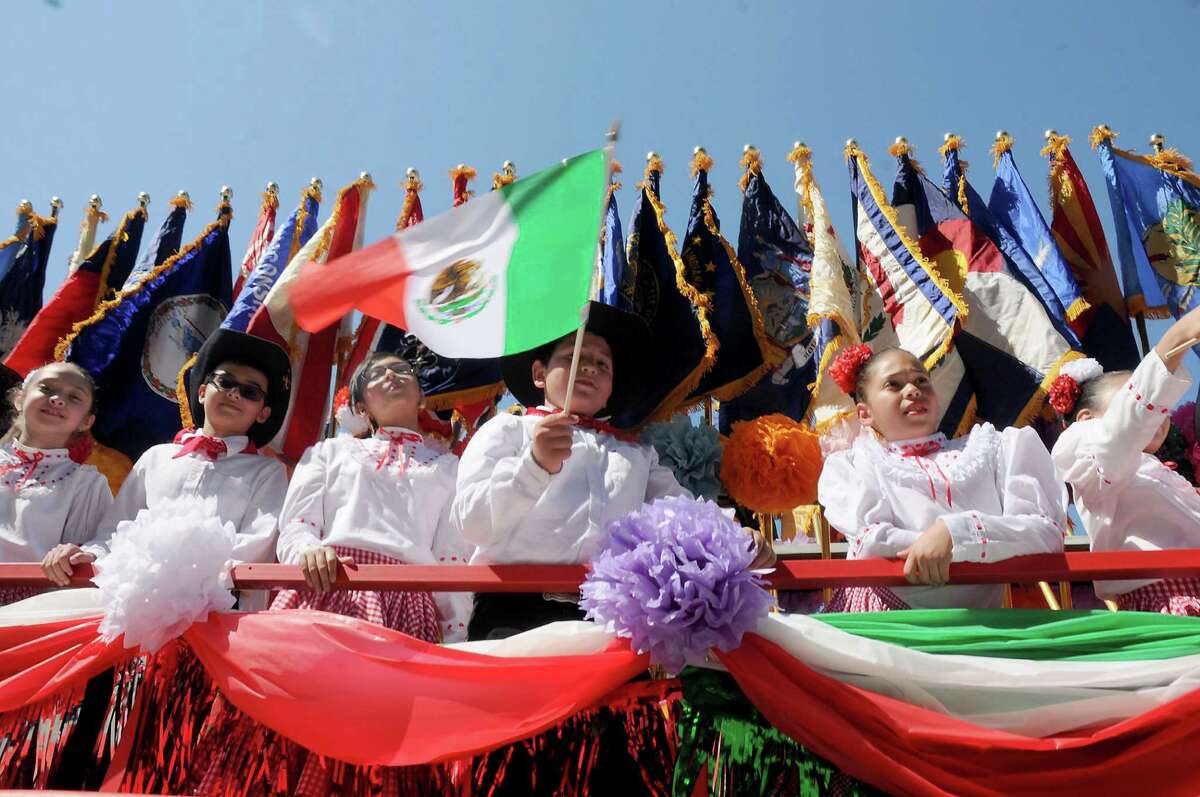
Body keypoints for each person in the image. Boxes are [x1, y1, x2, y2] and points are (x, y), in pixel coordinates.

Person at [452, 301, 698, 640]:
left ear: (611, 389)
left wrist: (734, 538)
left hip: (610, 620)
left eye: (602, 364)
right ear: (539, 373)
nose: (590, 369)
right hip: (513, 613)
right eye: (574, 357)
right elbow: (472, 522)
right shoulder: (507, 430)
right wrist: (533, 467)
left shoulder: (637, 455)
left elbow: (683, 516)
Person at [817, 344, 1066, 611]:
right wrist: (960, 543)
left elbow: (1044, 532)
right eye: (893, 385)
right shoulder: (854, 465)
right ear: (864, 414)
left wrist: (955, 531)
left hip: (978, 631)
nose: (912, 390)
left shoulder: (994, 447)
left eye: (921, 380)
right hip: (885, 631)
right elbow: (873, 542)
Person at [80, 329, 290, 610]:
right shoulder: (156, 458)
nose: (234, 394)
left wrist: (176, 576)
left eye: (250, 391)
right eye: (225, 382)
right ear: (203, 392)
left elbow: (255, 545)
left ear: (263, 413)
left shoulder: (267, 472)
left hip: (218, 614)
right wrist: (90, 554)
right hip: (135, 606)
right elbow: (113, 531)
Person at [271, 351, 471, 643]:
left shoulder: (449, 467)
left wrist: (457, 633)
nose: (391, 375)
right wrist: (308, 552)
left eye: (402, 369)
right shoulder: (329, 452)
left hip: (408, 604)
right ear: (361, 408)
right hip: (330, 585)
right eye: (375, 374)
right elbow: (297, 525)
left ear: (421, 397)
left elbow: (450, 557)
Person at [1051, 305, 1200, 614]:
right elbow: (1117, 436)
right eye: (1139, 399)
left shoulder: (1160, 471)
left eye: (1162, 408)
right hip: (1167, 604)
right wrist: (1177, 338)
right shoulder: (1083, 447)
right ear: (1085, 418)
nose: (1158, 412)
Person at [0, 362, 109, 604]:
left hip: (29, 609)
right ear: (19, 399)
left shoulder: (86, 483)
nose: (58, 400)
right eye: (47, 389)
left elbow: (101, 542)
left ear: (86, 422)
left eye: (74, 397)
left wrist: (78, 553)